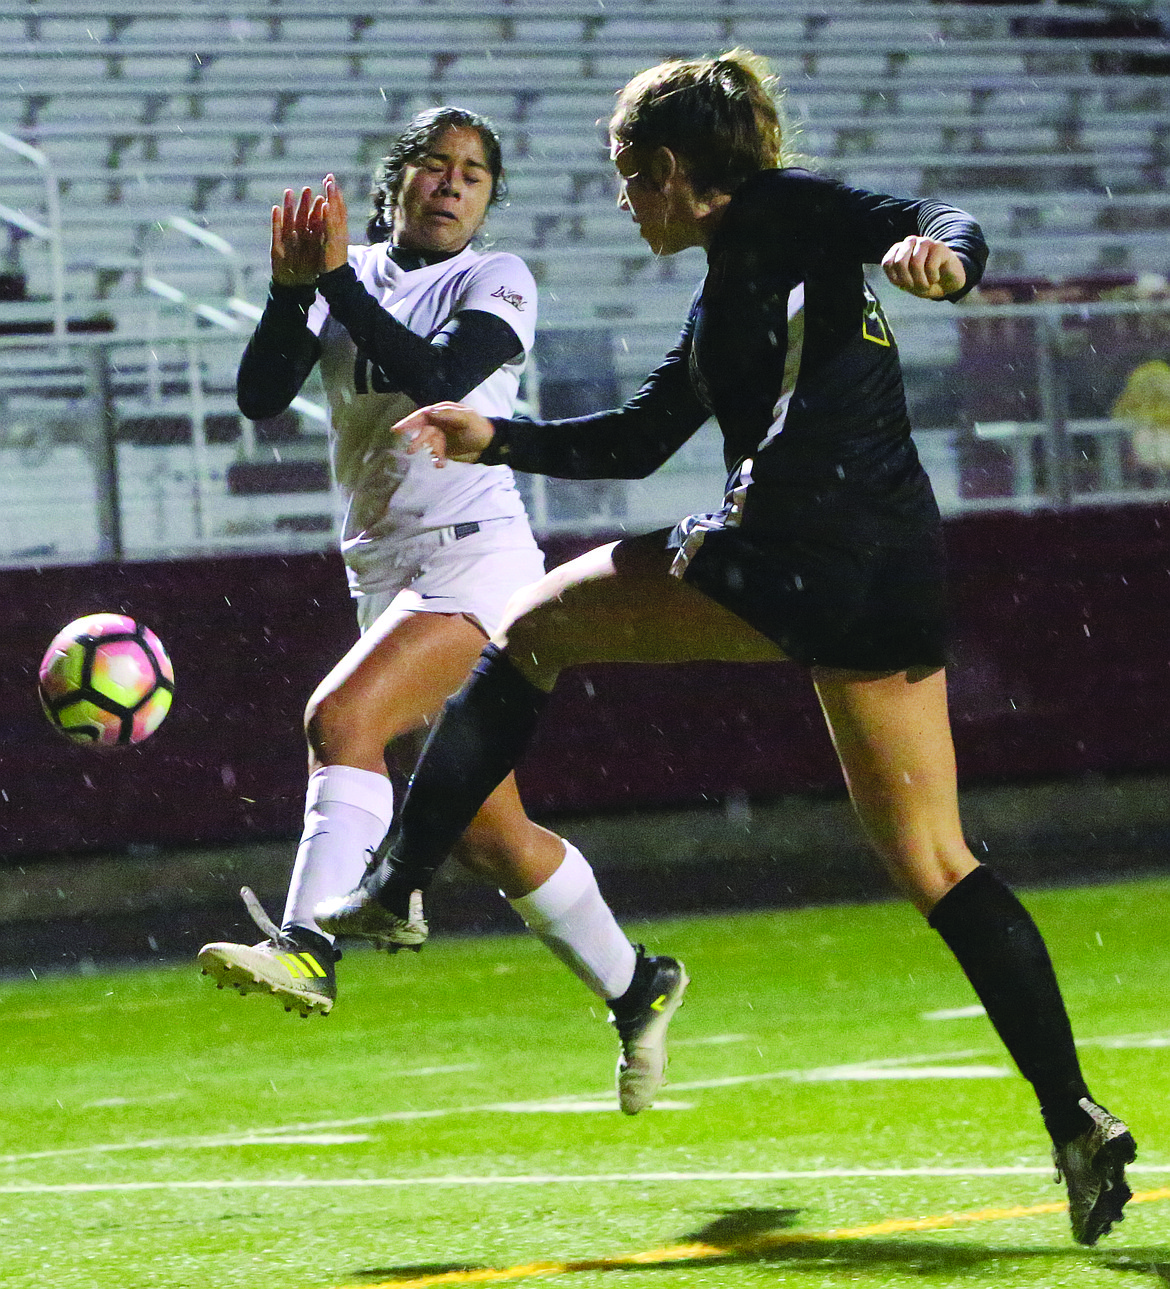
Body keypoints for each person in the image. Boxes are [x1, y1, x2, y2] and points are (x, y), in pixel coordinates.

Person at [316, 55, 1136, 1245]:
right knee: (934, 856)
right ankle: (1074, 1118)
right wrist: (500, 436)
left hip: (798, 545)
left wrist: (948, 260)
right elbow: (645, 439)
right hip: (891, 566)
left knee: (535, 624)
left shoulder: (781, 210)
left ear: (670, 175)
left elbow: (932, 220)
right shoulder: (725, 293)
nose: (622, 205)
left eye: (626, 182)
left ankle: (394, 882)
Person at [197, 106, 688, 1117]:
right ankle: (639, 983)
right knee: (488, 834)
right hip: (386, 575)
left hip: (477, 564)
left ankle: (309, 946)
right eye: (436, 163)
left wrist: (328, 280)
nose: (454, 182)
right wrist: (295, 290)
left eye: (473, 171)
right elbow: (258, 394)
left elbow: (437, 375)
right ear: (399, 181)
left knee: (343, 721)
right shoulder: (355, 277)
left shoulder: (494, 277)